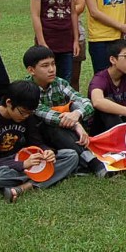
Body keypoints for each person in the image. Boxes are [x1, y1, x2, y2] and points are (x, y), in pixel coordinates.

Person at [0, 80, 79, 203]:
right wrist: (22, 164)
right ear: (9, 103)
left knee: (71, 156)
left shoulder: (28, 115)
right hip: (2, 165)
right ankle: (40, 178)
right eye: (22, 112)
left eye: (29, 113)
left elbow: (36, 143)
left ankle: (24, 187)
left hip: (27, 159)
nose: (25, 116)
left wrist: (47, 151)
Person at [22, 45, 106, 178]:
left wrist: (76, 114)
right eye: (45, 66)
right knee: (51, 125)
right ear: (31, 70)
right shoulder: (26, 89)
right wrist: (76, 124)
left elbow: (86, 102)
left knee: (76, 107)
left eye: (53, 64)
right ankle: (91, 161)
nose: (51, 69)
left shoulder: (59, 83)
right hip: (42, 136)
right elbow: (44, 114)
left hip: (66, 130)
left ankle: (85, 160)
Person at [32, 0, 86, 91]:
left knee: (64, 81)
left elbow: (73, 13)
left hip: (66, 42)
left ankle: (62, 107)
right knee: (44, 80)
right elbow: (35, 15)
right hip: (48, 39)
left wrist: (75, 39)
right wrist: (41, 42)